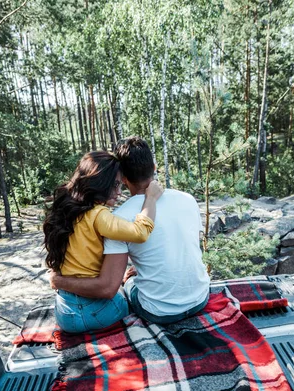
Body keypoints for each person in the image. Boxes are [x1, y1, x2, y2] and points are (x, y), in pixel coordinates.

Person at [50, 137, 210, 325]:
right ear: (155, 167)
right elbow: (182, 250)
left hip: (159, 311)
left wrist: (58, 280)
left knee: (129, 283)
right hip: (200, 298)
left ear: (122, 178)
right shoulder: (187, 199)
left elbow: (108, 287)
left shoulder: (118, 216)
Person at [44, 150, 162, 333]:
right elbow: (140, 233)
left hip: (65, 313)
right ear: (100, 183)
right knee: (127, 298)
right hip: (96, 313)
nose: (118, 192)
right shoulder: (99, 215)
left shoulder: (67, 212)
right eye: (114, 185)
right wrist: (151, 198)